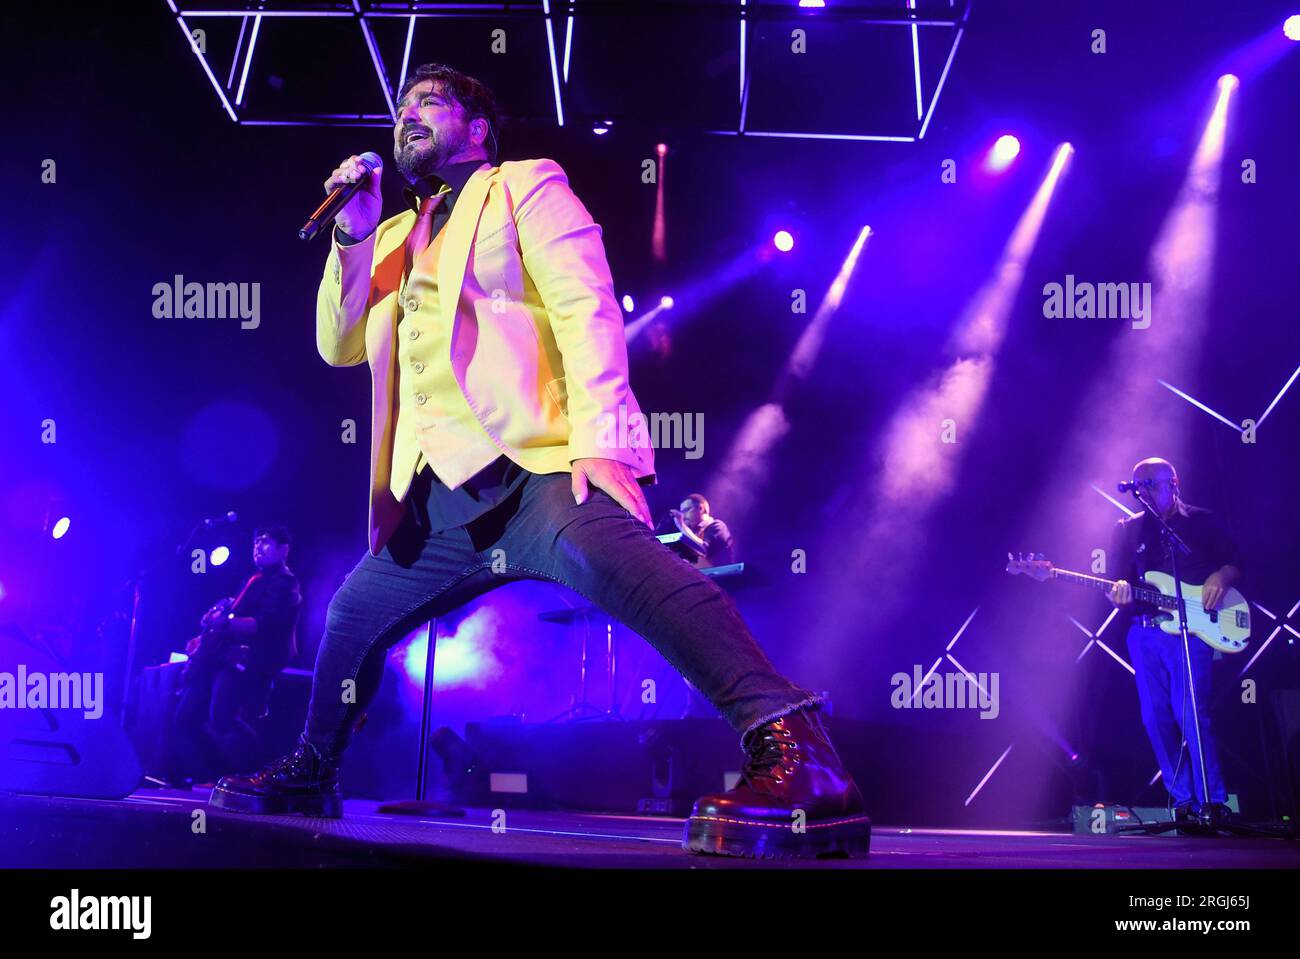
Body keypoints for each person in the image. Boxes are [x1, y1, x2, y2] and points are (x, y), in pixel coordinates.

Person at [208, 63, 869, 858]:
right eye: (400, 107)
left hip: (539, 466)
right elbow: (339, 340)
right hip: (440, 496)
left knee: (639, 574)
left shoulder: (523, 184)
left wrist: (602, 439)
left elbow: (585, 303)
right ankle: (315, 766)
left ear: (479, 127)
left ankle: (799, 749)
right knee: (352, 614)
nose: (407, 115)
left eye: (429, 103)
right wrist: (353, 224)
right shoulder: (385, 237)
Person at [1104, 457, 1240, 825]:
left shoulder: (1202, 521)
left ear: (1173, 483)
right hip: (1145, 631)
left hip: (1193, 630)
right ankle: (1183, 801)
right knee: (1154, 716)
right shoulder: (1127, 530)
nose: (1143, 491)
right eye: (1138, 485)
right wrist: (1117, 591)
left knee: (1191, 713)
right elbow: (1116, 581)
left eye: (1150, 483)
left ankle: (1213, 801)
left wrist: (1221, 576)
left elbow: (1234, 560)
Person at [171, 525, 301, 780]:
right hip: (224, 658)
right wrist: (206, 635)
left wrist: (224, 622)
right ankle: (221, 776)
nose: (258, 547)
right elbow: (234, 619)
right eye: (256, 542)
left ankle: (262, 778)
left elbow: (262, 623)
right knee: (187, 718)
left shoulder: (284, 583)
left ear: (283, 550)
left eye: (265, 542)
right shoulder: (255, 580)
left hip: (247, 660)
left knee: (223, 718)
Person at [670, 493, 735, 569]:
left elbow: (704, 549)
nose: (683, 516)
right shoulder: (694, 533)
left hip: (720, 579)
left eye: (686, 510)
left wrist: (681, 525)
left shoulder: (717, 526)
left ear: (701, 508)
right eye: (682, 512)